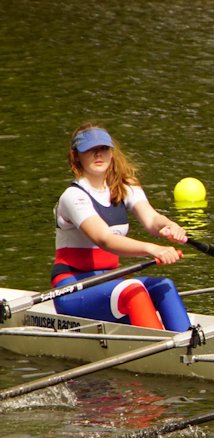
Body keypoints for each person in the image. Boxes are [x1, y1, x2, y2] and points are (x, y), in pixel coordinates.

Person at [52, 123, 191, 332]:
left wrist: (169, 225)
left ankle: (188, 342)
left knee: (165, 285)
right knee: (133, 289)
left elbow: (152, 220)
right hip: (74, 288)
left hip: (109, 283)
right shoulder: (73, 197)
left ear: (111, 152)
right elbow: (104, 239)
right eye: (90, 149)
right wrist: (152, 249)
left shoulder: (126, 187)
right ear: (76, 156)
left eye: (104, 149)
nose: (98, 154)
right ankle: (162, 349)